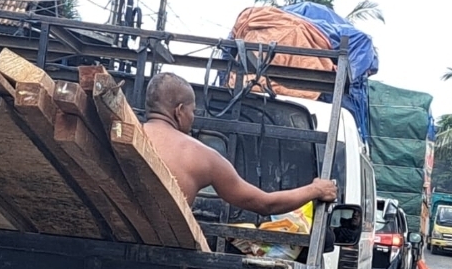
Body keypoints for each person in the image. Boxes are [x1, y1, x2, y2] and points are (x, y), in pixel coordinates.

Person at [140, 72, 337, 214]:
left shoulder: (124, 136)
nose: (193, 118)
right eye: (193, 111)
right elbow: (265, 205)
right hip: (165, 258)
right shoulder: (201, 155)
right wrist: (316, 189)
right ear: (179, 110)